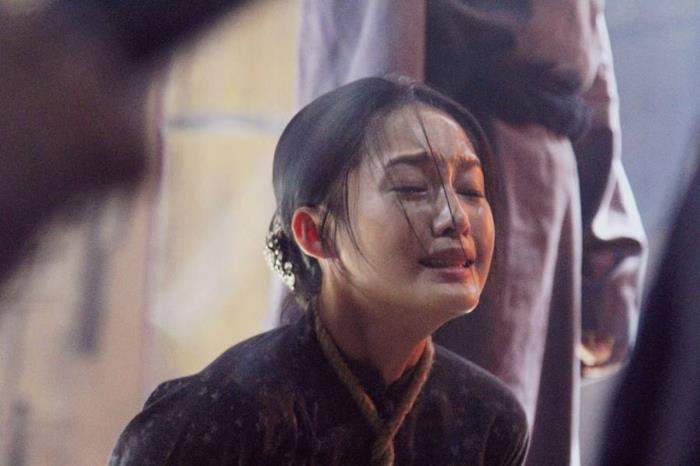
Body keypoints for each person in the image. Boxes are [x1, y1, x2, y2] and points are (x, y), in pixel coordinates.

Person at [294, 3, 648, 464]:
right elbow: (371, 47)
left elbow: (587, 49)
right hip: (442, 159)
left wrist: (605, 253)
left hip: (540, 188)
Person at [109, 77, 529, 465]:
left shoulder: (486, 419)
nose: (456, 217)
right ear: (316, 234)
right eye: (412, 188)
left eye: (470, 189)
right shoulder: (225, 413)